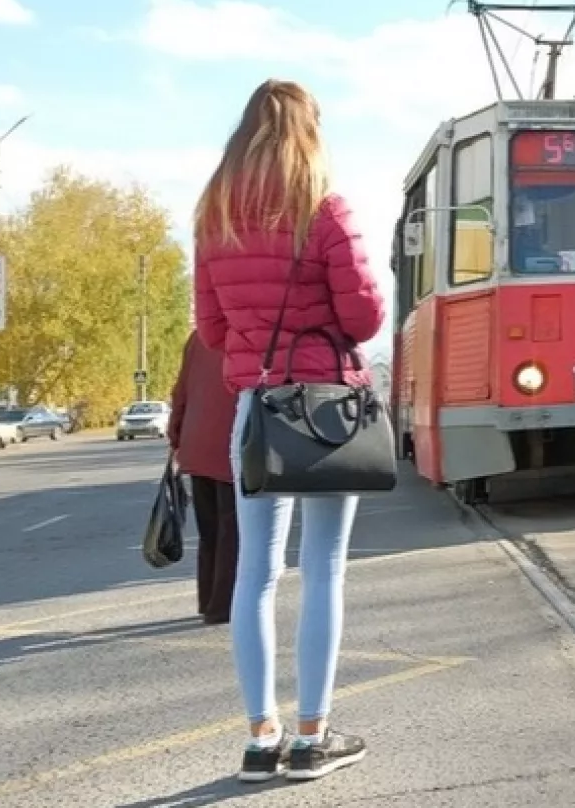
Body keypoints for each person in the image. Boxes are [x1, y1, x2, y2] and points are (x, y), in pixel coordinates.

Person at [193, 78, 386, 784]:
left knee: (255, 575)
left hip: (259, 412)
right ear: (309, 131)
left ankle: (258, 736)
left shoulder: (214, 218)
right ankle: (311, 735)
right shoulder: (325, 207)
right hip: (328, 411)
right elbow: (364, 318)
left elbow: (212, 329)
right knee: (325, 567)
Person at [167, 330, 239, 625]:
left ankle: (207, 598)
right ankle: (222, 607)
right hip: (232, 444)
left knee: (209, 531)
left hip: (196, 444)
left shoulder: (199, 337)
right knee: (232, 531)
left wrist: (176, 437)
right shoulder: (249, 333)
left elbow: (180, 392)